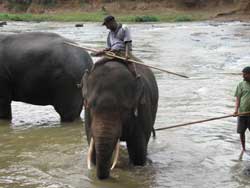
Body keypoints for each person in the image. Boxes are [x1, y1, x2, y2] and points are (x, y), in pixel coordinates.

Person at [234, 66, 250, 152]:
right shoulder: (241, 84)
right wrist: (236, 110)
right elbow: (238, 99)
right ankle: (243, 149)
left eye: (245, 74)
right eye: (243, 74)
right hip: (242, 113)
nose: (243, 76)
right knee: (241, 132)